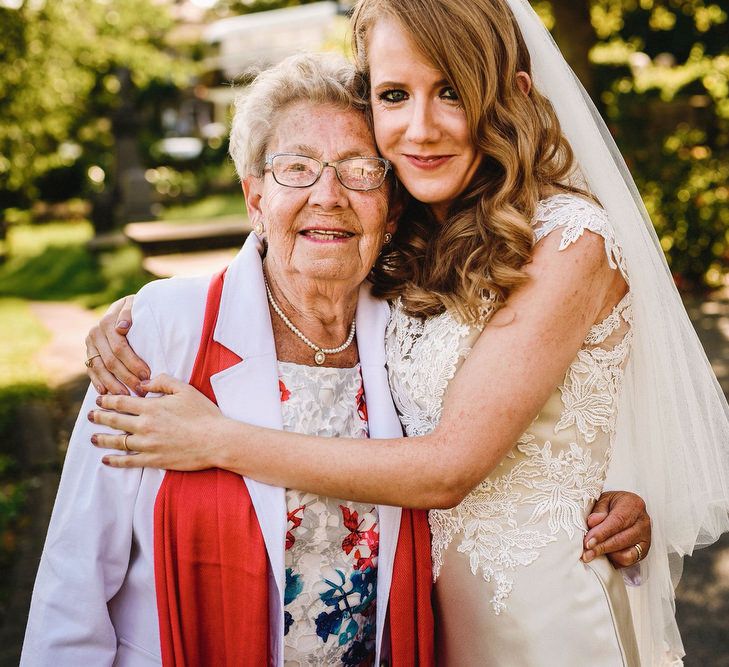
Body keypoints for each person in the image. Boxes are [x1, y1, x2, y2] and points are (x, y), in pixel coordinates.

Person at [85, 0, 729, 664]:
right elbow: (301, 243)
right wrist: (161, 308)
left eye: (451, 90)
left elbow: (449, 466)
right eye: (394, 95)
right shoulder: (411, 238)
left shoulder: (567, 239)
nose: (420, 128)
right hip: (419, 630)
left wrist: (216, 438)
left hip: (536, 623)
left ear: (510, 95)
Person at [22, 53, 437, 666]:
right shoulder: (164, 329)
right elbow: (76, 574)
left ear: (392, 207)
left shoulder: (420, 338)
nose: (329, 195)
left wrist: (620, 498)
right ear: (255, 200)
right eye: (297, 169)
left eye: (358, 170)